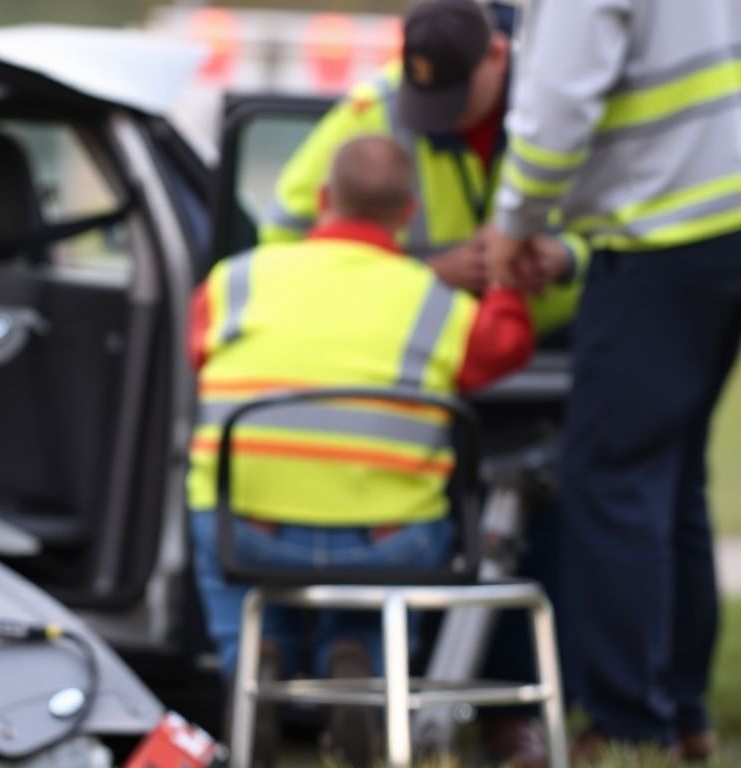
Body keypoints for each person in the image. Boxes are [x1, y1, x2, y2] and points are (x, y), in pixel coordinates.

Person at [187, 135, 535, 762]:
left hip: (254, 535)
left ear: (322, 199)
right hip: (386, 543)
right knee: (375, 571)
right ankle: (364, 670)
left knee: (219, 507)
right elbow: (504, 347)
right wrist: (504, 273)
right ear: (406, 216)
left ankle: (256, 664)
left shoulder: (234, 283)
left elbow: (196, 350)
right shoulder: (434, 303)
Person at [485, 0, 741, 761]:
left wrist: (516, 222)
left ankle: (632, 724)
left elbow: (560, 99)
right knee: (671, 474)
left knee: (611, 478)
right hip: (723, 223)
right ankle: (682, 709)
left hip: (661, 233)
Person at [262, 0, 585, 334]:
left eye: (456, 98)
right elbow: (282, 242)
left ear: (497, 56)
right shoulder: (373, 112)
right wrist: (421, 276)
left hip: (554, 350)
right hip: (417, 347)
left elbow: (621, 229)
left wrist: (565, 259)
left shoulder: (561, 109)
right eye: (424, 99)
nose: (439, 117)